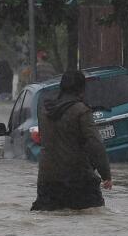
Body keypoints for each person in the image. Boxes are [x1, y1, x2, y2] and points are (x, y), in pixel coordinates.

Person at [31, 70, 111, 211]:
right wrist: (106, 175)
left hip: (47, 179)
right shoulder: (81, 111)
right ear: (82, 89)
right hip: (78, 179)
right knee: (95, 217)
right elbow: (95, 144)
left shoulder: (45, 111)